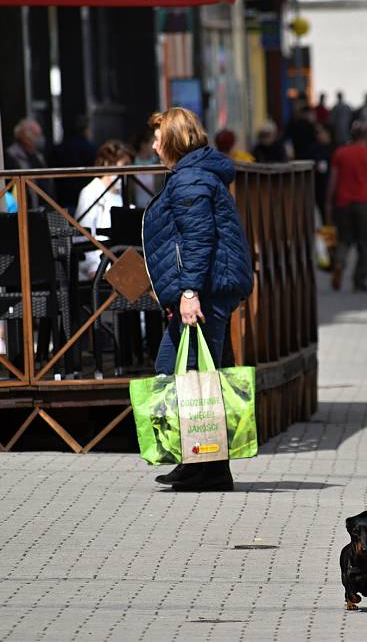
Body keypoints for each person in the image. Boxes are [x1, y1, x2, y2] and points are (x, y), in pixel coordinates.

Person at [143, 107, 253, 492]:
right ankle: (208, 467)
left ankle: (201, 464)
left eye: (158, 137)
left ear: (173, 140)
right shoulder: (194, 175)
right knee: (208, 376)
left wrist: (188, 291)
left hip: (205, 292)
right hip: (211, 289)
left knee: (183, 374)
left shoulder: (189, 179)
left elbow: (198, 240)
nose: (154, 146)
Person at [326, 121, 367, 293]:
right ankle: (359, 280)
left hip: (342, 203)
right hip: (364, 204)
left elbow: (333, 181)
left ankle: (339, 263)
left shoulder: (340, 153)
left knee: (344, 240)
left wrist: (328, 204)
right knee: (365, 243)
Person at [75, 140, 135, 280]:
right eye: (123, 165)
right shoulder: (91, 192)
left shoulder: (122, 193)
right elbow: (84, 233)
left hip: (122, 265)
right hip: (100, 268)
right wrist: (93, 268)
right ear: (108, 164)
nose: (128, 170)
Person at [5, 117, 55, 208]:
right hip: (24, 211)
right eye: (36, 134)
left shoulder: (39, 156)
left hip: (44, 209)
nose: (40, 138)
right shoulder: (11, 156)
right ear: (24, 136)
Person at [53, 115, 97, 212]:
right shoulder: (91, 148)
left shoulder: (59, 148)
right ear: (86, 130)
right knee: (83, 226)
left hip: (62, 200)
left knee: (62, 226)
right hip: (85, 199)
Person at [310, 122, 334, 225]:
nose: (318, 135)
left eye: (320, 132)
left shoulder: (335, 148)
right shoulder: (314, 148)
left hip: (333, 188)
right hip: (320, 188)